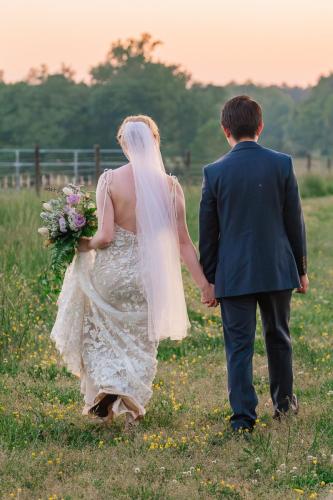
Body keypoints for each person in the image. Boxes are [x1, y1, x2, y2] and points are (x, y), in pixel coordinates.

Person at [50, 115, 214, 429]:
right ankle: (129, 404)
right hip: (149, 279)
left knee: (102, 334)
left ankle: (112, 387)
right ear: (155, 141)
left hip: (112, 275)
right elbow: (183, 243)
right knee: (139, 341)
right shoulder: (170, 187)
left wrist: (80, 242)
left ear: (124, 144)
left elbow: (106, 237)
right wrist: (204, 284)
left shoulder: (110, 180)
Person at [199, 96, 308, 432]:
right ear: (261, 126)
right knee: (279, 337)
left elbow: (208, 233)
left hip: (233, 273)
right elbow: (295, 222)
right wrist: (300, 269)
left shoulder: (214, 172)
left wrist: (210, 279)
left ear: (225, 130)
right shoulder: (282, 164)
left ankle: (243, 417)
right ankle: (284, 406)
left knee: (238, 345)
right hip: (276, 268)